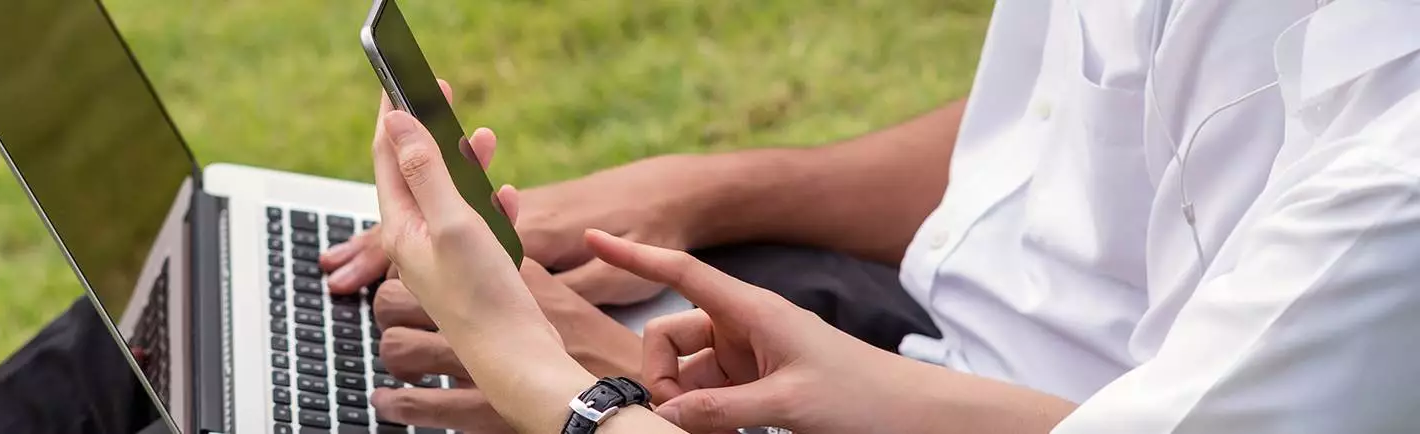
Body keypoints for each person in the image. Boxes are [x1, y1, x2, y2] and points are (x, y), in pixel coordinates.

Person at [333, 1, 1420, 433]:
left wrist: (562, 380)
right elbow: (1054, 127)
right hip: (912, 339)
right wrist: (706, 193)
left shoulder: (1388, 207)